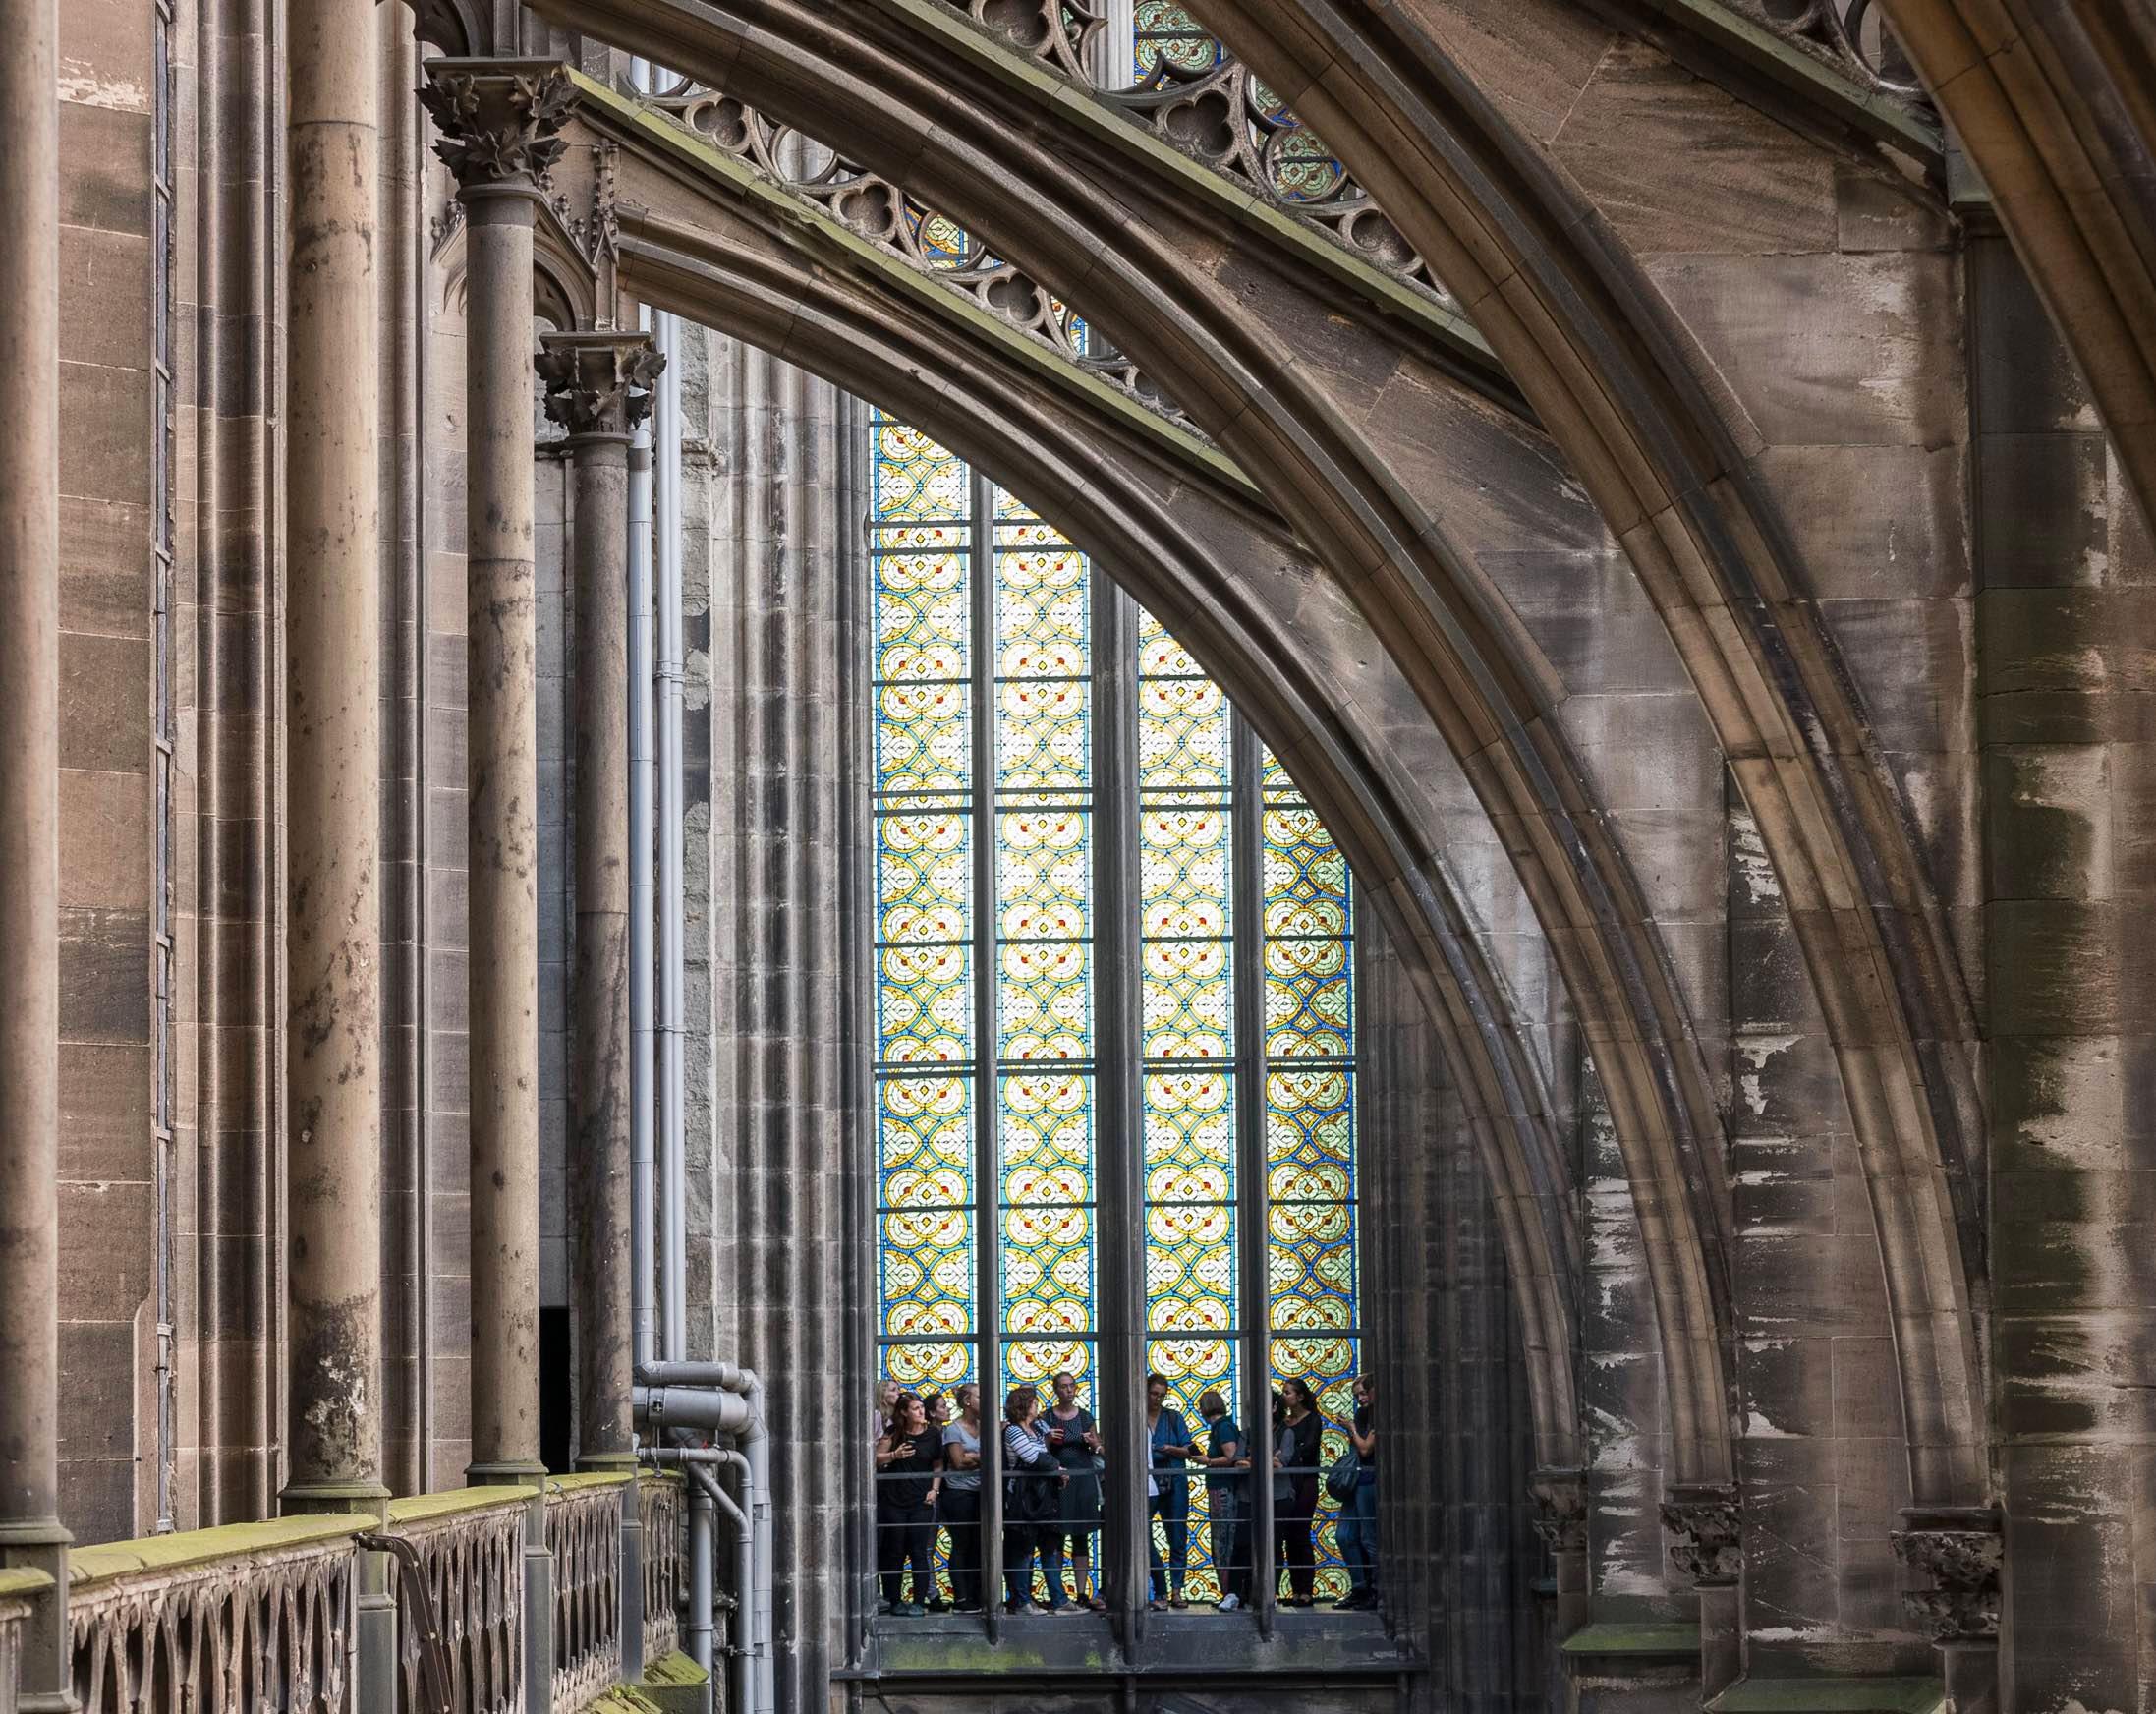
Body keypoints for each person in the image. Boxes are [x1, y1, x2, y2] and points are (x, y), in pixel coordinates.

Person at [874, 1391, 943, 1615]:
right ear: (904, 1412)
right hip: (894, 1501)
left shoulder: (933, 1434)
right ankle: (894, 1600)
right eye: (915, 1408)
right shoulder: (894, 1432)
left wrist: (935, 1489)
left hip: (921, 1500)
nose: (921, 1411)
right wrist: (894, 1455)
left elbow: (938, 1465)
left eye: (921, 1407)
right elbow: (875, 1458)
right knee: (894, 1550)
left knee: (918, 1551)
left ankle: (918, 1601)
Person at [1044, 1371, 1106, 1611]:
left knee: (1081, 1536)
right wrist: (1049, 1439)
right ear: (1056, 1390)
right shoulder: (1048, 1416)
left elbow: (1099, 1447)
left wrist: (1095, 1444)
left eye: (1071, 1386)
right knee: (1057, 1535)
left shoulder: (1086, 1416)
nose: (1068, 1390)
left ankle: (1081, 1592)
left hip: (1083, 1480)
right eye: (1063, 1386)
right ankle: (1057, 1593)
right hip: (1059, 1480)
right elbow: (1041, 1447)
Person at [1001, 1386, 1067, 1613]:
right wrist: (1058, 1467)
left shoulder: (1036, 1428)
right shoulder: (1012, 1431)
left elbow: (1045, 1452)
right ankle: (1022, 1600)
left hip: (1043, 1496)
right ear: (1024, 1406)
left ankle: (1059, 1600)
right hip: (1023, 1499)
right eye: (1034, 1403)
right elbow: (1031, 1458)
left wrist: (1041, 1425)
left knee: (1049, 1548)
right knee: (1023, 1550)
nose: (1037, 1406)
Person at [1146, 1372, 1200, 1608]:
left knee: (1177, 1535)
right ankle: (1158, 1586)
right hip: (1147, 1482)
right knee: (1142, 1534)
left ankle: (1177, 1590)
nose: (1157, 1399)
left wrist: (1171, 1449)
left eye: (1161, 1395)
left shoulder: (1173, 1418)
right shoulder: (1137, 1417)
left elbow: (1191, 1450)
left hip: (1175, 1481)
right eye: (1153, 1393)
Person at [1197, 1388, 1251, 1611]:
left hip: (1223, 1491)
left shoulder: (1224, 1427)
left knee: (1223, 1542)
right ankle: (1228, 1592)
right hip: (1221, 1490)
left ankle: (1230, 1593)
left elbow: (1231, 1457)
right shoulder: (1221, 1427)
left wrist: (1206, 1461)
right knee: (1221, 1542)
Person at [1272, 1377, 1324, 1607]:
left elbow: (1309, 1447)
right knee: (1288, 1535)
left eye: (1288, 1392)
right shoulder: (1284, 1423)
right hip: (1287, 1482)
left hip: (1305, 1482)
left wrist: (1288, 1454)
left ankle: (1306, 1590)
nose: (1285, 1396)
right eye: (1283, 1392)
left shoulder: (1312, 1420)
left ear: (1300, 1396)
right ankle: (1294, 1590)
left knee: (1301, 1533)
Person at [939, 1383, 986, 1614]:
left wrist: (973, 1457)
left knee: (979, 1545)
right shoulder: (953, 1430)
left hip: (981, 1493)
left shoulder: (985, 1426)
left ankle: (979, 1595)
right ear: (967, 1401)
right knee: (961, 1545)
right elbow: (958, 1462)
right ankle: (961, 1597)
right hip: (958, 1495)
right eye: (980, 1395)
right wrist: (981, 1457)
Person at [1336, 1373, 1379, 1610]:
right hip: (1356, 1481)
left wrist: (1351, 1428)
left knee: (1369, 1539)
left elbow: (1365, 1449)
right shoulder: (1362, 1414)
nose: (1360, 1399)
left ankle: (1376, 1592)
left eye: (1363, 1393)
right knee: (1344, 1536)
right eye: (1357, 1395)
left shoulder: (1377, 1416)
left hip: (1369, 1480)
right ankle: (1359, 1587)